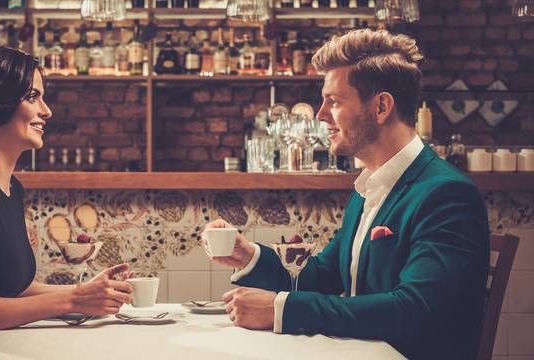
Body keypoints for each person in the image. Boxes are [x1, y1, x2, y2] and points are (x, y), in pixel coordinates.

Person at [204, 29, 489, 360]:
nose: (321, 114)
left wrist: (282, 308)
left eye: (334, 101)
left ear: (381, 106)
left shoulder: (446, 194)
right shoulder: (370, 186)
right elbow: (325, 275)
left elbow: (416, 310)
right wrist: (246, 254)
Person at [0, 43, 133, 359]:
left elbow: (8, 288)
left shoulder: (9, 188)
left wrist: (86, 293)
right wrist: (73, 302)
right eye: (32, 97)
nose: (47, 110)